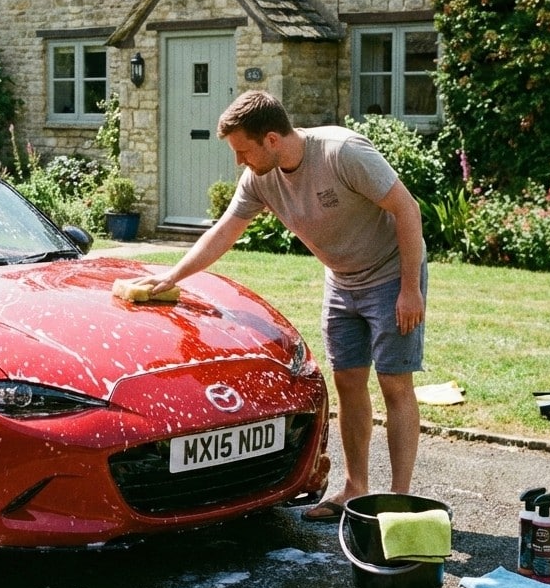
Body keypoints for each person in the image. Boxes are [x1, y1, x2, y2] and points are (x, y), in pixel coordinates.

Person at [137, 90, 427, 522]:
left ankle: (400, 504)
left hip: (390, 277)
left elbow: (407, 209)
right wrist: (172, 277)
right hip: (342, 280)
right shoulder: (259, 179)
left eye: (242, 151)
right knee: (348, 382)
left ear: (271, 139)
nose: (238, 163)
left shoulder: (342, 153)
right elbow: (223, 233)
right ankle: (355, 489)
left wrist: (409, 290)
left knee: (394, 385)